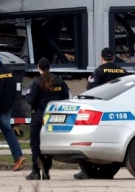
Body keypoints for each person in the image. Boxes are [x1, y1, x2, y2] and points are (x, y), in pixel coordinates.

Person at [75, 47, 128, 180]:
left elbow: (91, 91)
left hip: (102, 111)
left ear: (101, 57)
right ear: (114, 58)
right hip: (120, 113)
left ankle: (87, 171)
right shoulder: (123, 72)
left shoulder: (98, 72)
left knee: (92, 141)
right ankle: (107, 170)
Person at [24, 58, 69, 180]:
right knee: (48, 144)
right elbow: (66, 97)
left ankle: (35, 171)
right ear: (49, 67)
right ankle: (46, 171)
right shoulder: (59, 81)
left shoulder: (37, 82)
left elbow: (30, 100)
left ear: (39, 67)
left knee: (36, 144)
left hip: (39, 115)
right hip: (54, 116)